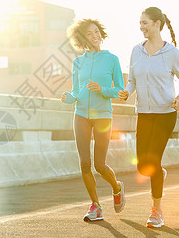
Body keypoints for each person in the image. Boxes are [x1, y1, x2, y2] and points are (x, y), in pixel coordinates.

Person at [118, 7, 179, 228]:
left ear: (157, 24)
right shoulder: (136, 51)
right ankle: (159, 173)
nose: (141, 27)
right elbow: (132, 80)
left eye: (145, 23)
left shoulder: (172, 53)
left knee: (154, 162)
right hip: (143, 114)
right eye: (139, 23)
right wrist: (126, 91)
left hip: (165, 115)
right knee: (143, 166)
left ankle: (156, 211)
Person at [61, 18, 126, 221]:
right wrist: (69, 98)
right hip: (80, 114)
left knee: (99, 165)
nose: (95, 36)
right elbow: (77, 92)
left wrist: (102, 90)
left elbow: (120, 90)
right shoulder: (78, 62)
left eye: (97, 31)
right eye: (90, 34)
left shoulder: (112, 59)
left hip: (103, 116)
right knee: (85, 163)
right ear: (82, 39)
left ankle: (117, 187)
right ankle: (96, 205)